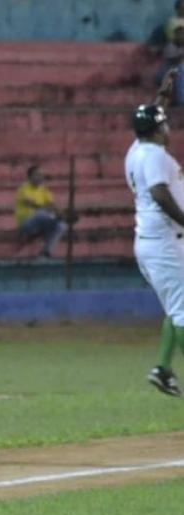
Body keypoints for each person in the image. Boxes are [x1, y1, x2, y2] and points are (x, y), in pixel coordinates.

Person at [127, 70, 184, 398]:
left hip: (154, 243)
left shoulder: (138, 148)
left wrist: (161, 95)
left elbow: (150, 117)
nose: (168, 126)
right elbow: (161, 195)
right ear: (160, 129)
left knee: (176, 307)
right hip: (165, 243)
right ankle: (163, 369)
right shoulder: (154, 157)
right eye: (164, 122)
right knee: (182, 312)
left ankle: (163, 368)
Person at [14, 166, 67, 258]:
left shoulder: (44, 190)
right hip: (26, 224)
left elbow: (52, 204)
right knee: (41, 213)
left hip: (41, 224)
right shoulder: (23, 188)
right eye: (37, 175)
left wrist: (61, 214)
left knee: (62, 225)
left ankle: (46, 252)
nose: (41, 177)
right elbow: (32, 204)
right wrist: (52, 213)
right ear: (30, 177)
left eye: (42, 175)